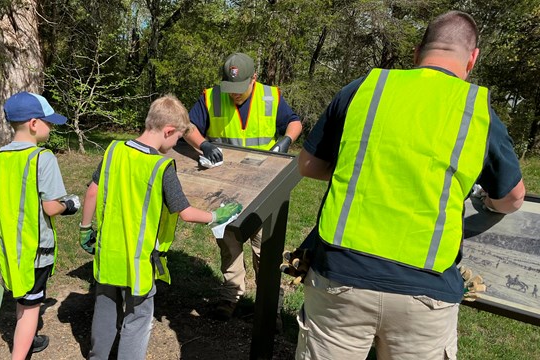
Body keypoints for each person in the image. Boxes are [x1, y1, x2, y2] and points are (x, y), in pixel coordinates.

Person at [295, 11, 526, 360]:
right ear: (472, 59)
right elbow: (512, 197)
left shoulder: (365, 87)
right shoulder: (477, 110)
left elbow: (309, 165)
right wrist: (487, 203)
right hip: (426, 292)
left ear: (417, 53)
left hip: (341, 275)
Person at [78, 94, 243, 360]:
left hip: (108, 253)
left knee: (105, 307)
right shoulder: (161, 166)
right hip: (138, 261)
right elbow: (185, 212)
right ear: (167, 131)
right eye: (178, 137)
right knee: (139, 317)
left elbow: (92, 192)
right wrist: (215, 215)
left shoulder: (114, 151)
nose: (178, 142)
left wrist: (85, 228)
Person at [184, 52, 303, 321]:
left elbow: (294, 122)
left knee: (264, 246)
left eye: (240, 89)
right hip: (223, 188)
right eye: (230, 88)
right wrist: (202, 143)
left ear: (254, 79)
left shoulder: (271, 96)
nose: (234, 95)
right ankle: (231, 295)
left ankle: (268, 303)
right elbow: (187, 125)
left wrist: (286, 140)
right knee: (228, 242)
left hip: (264, 188)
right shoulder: (211, 96)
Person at [0, 92, 81, 359]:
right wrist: (70, 204)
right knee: (30, 307)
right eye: (49, 122)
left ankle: (28, 338)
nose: (52, 126)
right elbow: (51, 207)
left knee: (22, 296)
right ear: (34, 123)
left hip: (7, 247)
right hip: (35, 249)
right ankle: (20, 354)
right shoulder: (42, 158)